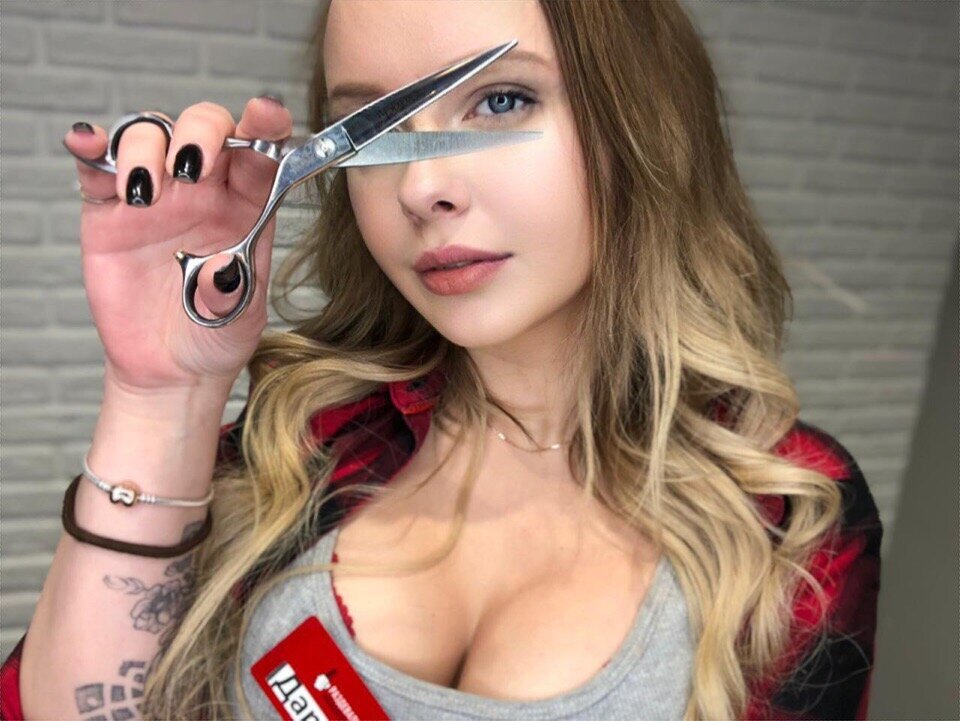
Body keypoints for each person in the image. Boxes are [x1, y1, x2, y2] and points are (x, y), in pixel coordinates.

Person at [0, 1, 883, 719]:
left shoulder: (788, 517)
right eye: (371, 128)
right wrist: (160, 394)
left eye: (500, 101)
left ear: (643, 119)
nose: (420, 187)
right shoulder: (310, 436)